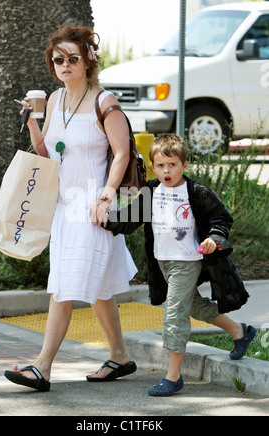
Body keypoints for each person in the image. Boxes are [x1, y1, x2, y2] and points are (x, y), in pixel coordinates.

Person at [4, 26, 138, 392]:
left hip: (91, 207)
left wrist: (107, 195)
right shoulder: (55, 99)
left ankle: (42, 367)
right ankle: (120, 356)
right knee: (99, 290)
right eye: (57, 59)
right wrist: (31, 121)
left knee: (62, 288)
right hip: (65, 208)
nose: (64, 64)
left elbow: (123, 153)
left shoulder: (104, 102)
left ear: (88, 60)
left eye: (72, 58)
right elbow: (48, 153)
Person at [103, 133, 256, 397]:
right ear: (153, 167)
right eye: (161, 165)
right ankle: (240, 331)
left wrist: (213, 238)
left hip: (187, 262)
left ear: (184, 165)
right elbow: (129, 219)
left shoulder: (196, 192)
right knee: (194, 306)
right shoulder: (151, 191)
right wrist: (103, 219)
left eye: (172, 165)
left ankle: (173, 376)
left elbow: (221, 219)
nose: (166, 170)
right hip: (164, 263)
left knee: (174, 315)